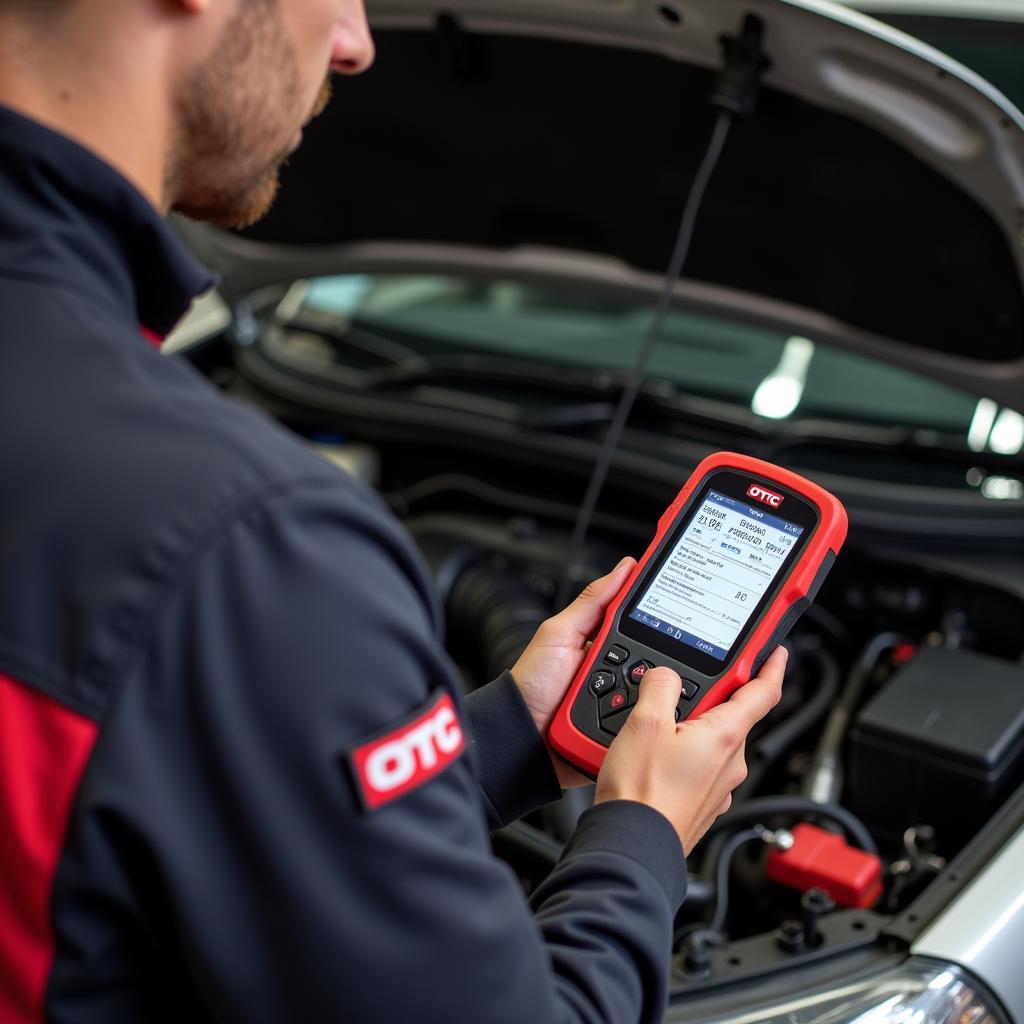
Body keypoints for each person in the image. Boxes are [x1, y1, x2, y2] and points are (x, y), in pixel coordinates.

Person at [0, 1, 786, 1021]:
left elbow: (205, 810)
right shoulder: (252, 543)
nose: (356, 41)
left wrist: (512, 734)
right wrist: (640, 836)